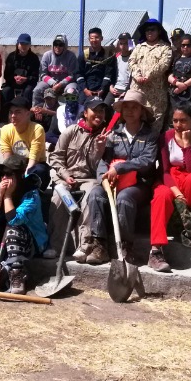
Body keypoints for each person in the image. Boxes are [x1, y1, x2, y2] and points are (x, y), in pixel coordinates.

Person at [81, 88, 158, 266]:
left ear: (142, 111)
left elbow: (147, 161)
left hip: (140, 183)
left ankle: (126, 246)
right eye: (126, 107)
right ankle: (99, 245)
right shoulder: (113, 134)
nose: (130, 111)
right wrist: (103, 178)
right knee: (95, 194)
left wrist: (121, 168)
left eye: (135, 107)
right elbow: (104, 161)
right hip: (113, 181)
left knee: (124, 199)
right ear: (121, 111)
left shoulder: (150, 135)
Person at [148, 101, 191, 273]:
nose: (178, 125)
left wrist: (186, 145)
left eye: (183, 120)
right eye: (175, 120)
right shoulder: (166, 137)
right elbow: (164, 170)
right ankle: (156, 250)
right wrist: (176, 191)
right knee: (161, 196)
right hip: (169, 179)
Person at [52, 98, 110, 261]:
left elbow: (96, 167)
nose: (98, 114)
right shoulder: (71, 131)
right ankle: (55, 245)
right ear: (85, 113)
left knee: (90, 199)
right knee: (58, 199)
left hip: (88, 179)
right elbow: (56, 157)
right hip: (66, 177)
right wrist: (65, 175)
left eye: (101, 111)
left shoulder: (105, 135)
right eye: (95, 111)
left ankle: (84, 246)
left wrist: (100, 149)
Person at [0, 153, 50, 293]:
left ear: (19, 175)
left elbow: (15, 220)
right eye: (2, 174)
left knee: (13, 228)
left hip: (30, 240)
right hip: (4, 241)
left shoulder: (31, 195)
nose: (4, 178)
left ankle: (17, 275)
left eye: (9, 174)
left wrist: (8, 196)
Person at [127, 18, 173, 128]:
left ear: (159, 32)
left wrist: (148, 75)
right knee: (135, 119)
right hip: (138, 91)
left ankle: (153, 145)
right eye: (147, 30)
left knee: (155, 123)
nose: (150, 32)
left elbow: (163, 64)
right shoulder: (138, 47)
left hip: (156, 95)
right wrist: (137, 76)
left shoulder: (165, 48)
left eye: (153, 30)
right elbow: (131, 62)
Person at [0, 92, 50, 190]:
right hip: (15, 165)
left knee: (39, 171)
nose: (13, 116)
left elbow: (33, 159)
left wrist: (22, 178)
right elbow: (7, 160)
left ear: (28, 114)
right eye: (11, 112)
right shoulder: (5, 129)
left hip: (34, 164)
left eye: (17, 112)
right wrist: (9, 176)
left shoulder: (37, 129)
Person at [167, 34, 191, 125]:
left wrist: (184, 86)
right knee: (176, 118)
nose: (185, 47)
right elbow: (170, 75)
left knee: (190, 118)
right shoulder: (176, 58)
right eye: (183, 45)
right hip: (176, 93)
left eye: (188, 45)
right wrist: (176, 83)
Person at [1, 33, 40, 117]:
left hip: (27, 84)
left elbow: (35, 77)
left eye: (26, 44)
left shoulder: (34, 58)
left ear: (30, 45)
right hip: (12, 83)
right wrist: (14, 78)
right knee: (6, 91)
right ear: (18, 44)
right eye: (22, 44)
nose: (24, 46)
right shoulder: (11, 57)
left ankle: (27, 117)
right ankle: (4, 119)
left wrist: (25, 79)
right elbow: (6, 75)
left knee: (28, 91)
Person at [78, 27, 117, 106]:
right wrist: (85, 90)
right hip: (86, 88)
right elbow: (79, 74)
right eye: (92, 38)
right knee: (81, 107)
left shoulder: (108, 55)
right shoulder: (83, 55)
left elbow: (108, 75)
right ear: (89, 39)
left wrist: (102, 89)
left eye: (96, 37)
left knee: (104, 106)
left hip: (102, 88)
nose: (94, 40)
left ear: (101, 38)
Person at [38, 34, 78, 108]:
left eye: (61, 45)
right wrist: (53, 83)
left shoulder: (71, 56)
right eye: (55, 44)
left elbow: (72, 75)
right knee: (37, 89)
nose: (58, 47)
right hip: (50, 82)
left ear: (65, 46)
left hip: (67, 83)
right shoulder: (47, 55)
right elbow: (43, 74)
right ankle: (37, 111)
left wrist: (60, 84)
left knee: (71, 91)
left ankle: (71, 112)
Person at [110, 32, 133, 104]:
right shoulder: (115, 58)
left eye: (126, 43)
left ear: (130, 44)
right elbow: (111, 74)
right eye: (121, 43)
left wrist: (126, 92)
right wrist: (111, 87)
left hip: (128, 90)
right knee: (106, 106)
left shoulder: (134, 58)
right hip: (115, 88)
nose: (123, 46)